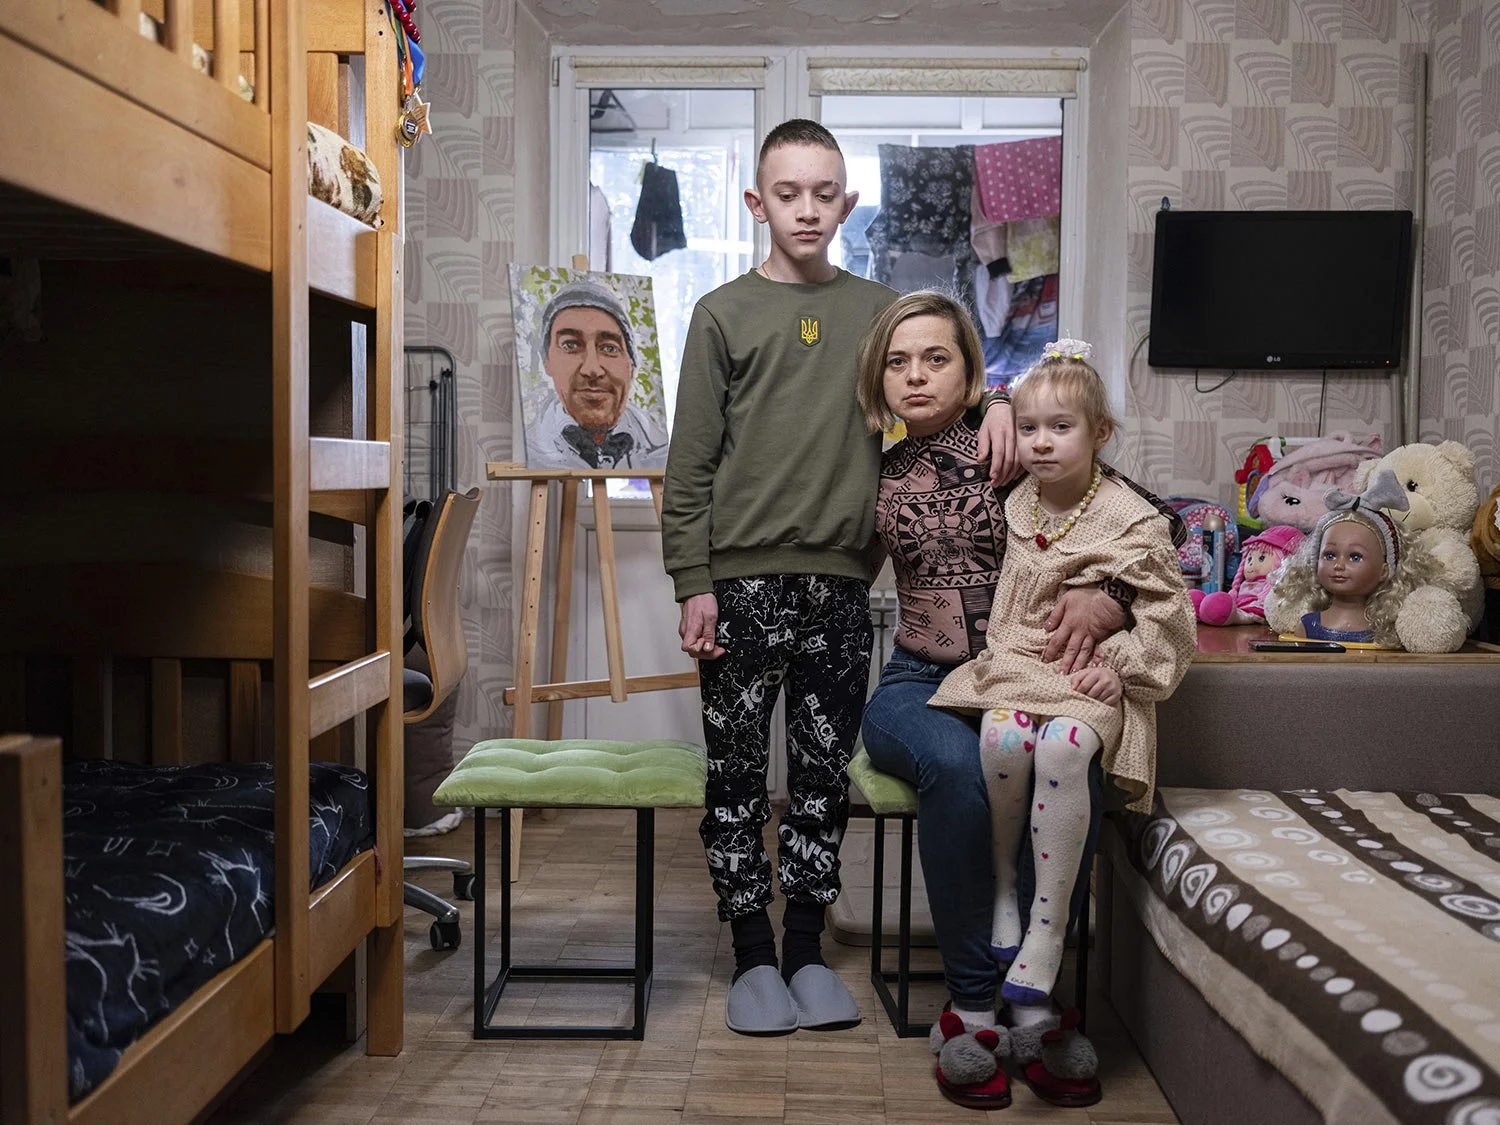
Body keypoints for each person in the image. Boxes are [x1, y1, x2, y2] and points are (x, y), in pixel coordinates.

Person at [662, 120, 1018, 1037]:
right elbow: (691, 464)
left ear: (847, 202)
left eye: (825, 193)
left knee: (822, 776)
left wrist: (1010, 402)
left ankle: (806, 949)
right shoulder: (720, 314)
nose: (808, 209)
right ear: (757, 204)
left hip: (839, 590)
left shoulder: (878, 313)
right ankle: (750, 952)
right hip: (738, 585)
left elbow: (947, 377)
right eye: (789, 193)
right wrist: (691, 580)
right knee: (738, 777)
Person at [857, 294, 1185, 1108]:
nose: (917, 375)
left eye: (937, 357)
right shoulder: (867, 459)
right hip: (916, 681)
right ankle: (972, 1008)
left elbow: (1157, 521)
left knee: (1054, 756)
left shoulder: (1010, 445)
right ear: (879, 378)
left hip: (1029, 675)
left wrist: (1109, 592)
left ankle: (1036, 1004)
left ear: (973, 369)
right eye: (898, 362)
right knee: (963, 766)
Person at [527, 280, 668, 469]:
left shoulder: (659, 449)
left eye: (609, 348)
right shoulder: (532, 448)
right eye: (570, 345)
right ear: (547, 362)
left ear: (631, 365)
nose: (592, 369)